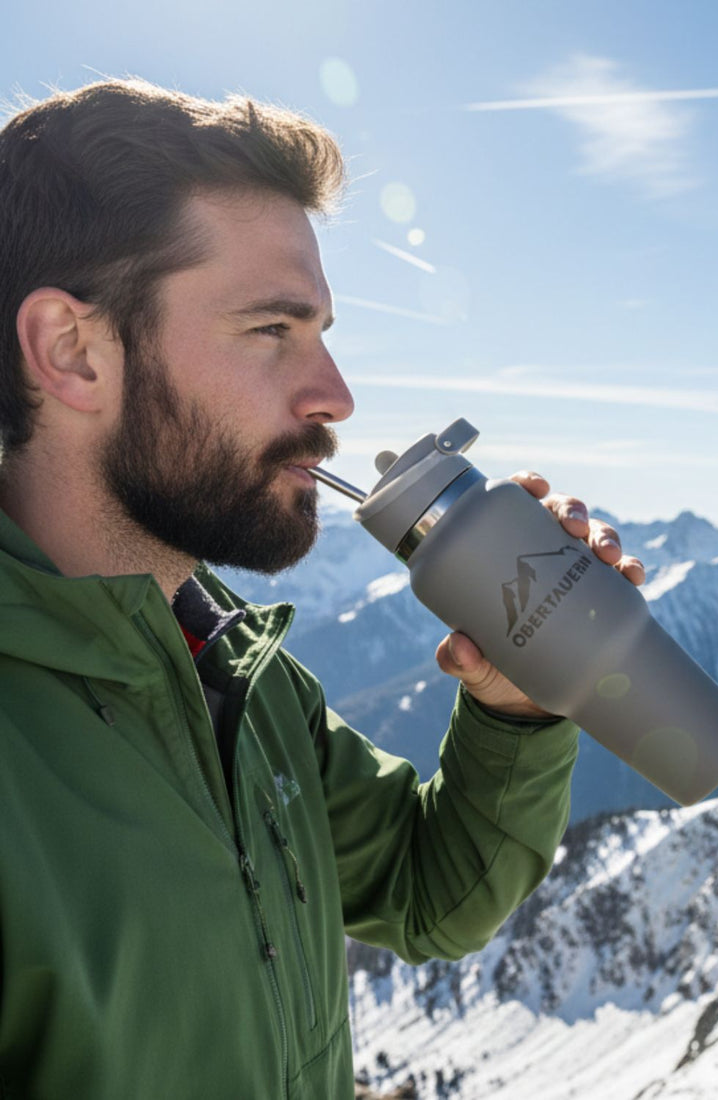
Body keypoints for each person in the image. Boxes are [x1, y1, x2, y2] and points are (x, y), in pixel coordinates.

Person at [0, 79, 644, 1099]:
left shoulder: (239, 675)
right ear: (75, 352)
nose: (335, 396)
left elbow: (432, 895)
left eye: (325, 330)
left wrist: (513, 705)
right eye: (271, 330)